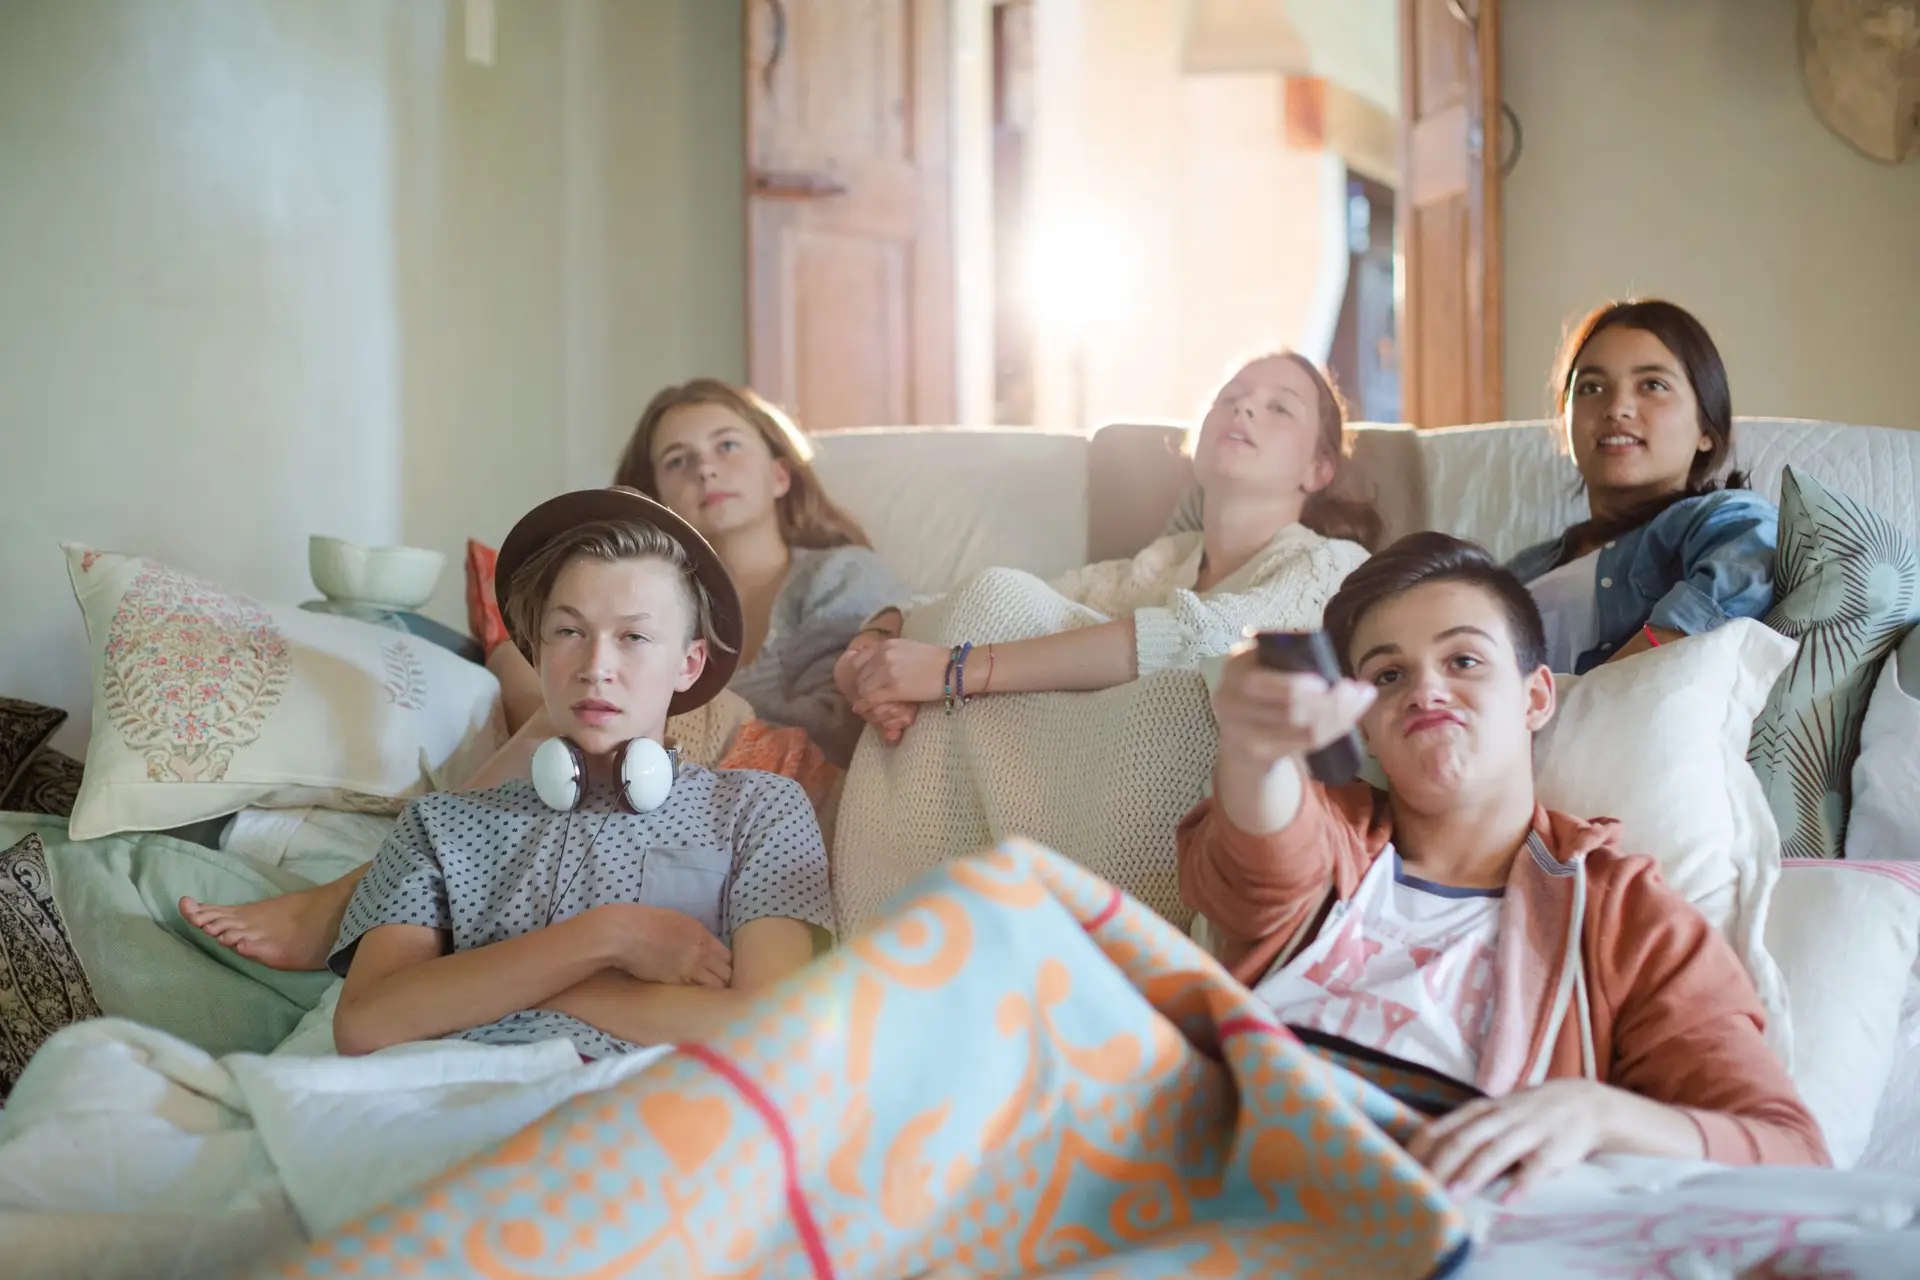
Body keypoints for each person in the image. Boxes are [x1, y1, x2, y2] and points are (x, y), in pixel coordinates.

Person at [1178, 532, 1827, 1200]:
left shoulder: (1628, 918)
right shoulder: (1332, 838)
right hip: (1218, 1178)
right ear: (1364, 727)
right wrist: (1255, 748)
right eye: (1388, 675)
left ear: (1536, 698)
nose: (1426, 688)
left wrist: (1599, 1113)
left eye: (1463, 659)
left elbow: (1790, 1151)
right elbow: (1259, 858)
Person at [183, 379, 896, 969]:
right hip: (648, 762)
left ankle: (343, 902)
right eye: (676, 460)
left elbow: (838, 719)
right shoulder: (635, 602)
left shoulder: (835, 575)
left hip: (778, 776)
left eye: (726, 446)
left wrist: (678, 680)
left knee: (618, 691)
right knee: (582, 684)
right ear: (656, 495)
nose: (703, 468)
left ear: (779, 472)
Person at [829, 352, 1380, 933]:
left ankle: (947, 922)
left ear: (1318, 469)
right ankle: (914, 918)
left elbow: (1194, 639)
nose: (1243, 406)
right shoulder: (1155, 567)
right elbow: (942, 608)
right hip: (1061, 800)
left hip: (1176, 841)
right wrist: (870, 648)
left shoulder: (1330, 564)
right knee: (989, 599)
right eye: (1230, 395)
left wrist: (954, 670)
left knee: (1167, 690)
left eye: (1278, 408)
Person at [329, 487, 834, 1058]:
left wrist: (513, 990)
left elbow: (773, 1032)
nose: (596, 669)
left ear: (688, 664)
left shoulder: (759, 810)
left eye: (634, 637)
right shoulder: (440, 825)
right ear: (538, 653)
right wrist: (608, 937)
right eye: (569, 632)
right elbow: (365, 1023)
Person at [1508, 299, 1777, 673]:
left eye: (1653, 384)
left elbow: (1746, 572)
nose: (1617, 408)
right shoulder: (1523, 567)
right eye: (1591, 387)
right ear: (1564, 428)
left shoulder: (1725, 521)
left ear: (1708, 430)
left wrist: (1580, 706)